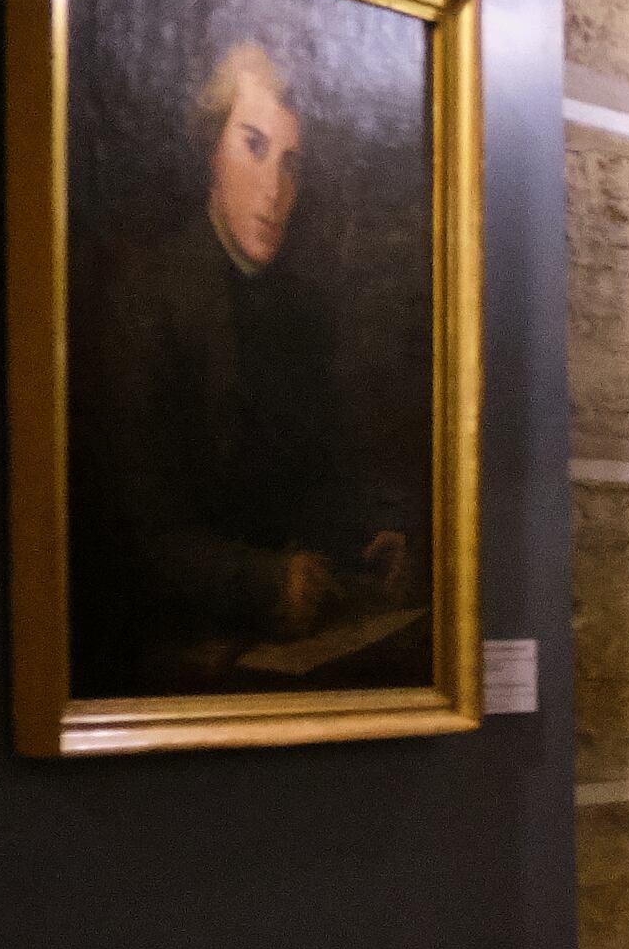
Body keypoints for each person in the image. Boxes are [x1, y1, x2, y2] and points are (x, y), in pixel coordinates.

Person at [82, 34, 414, 688]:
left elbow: (316, 479)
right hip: (174, 660)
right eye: (253, 146)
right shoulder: (146, 300)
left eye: (290, 161)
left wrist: (374, 535)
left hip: (293, 650)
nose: (275, 188)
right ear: (212, 150)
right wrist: (264, 581)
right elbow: (136, 535)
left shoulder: (303, 308)